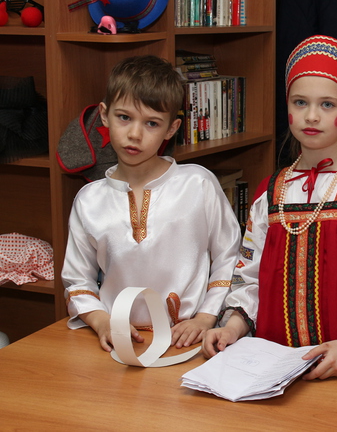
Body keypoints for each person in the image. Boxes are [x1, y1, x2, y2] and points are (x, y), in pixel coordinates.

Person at [203, 35, 337, 379]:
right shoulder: (268, 193)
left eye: (327, 104)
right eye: (300, 102)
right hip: (273, 369)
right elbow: (248, 280)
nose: (312, 116)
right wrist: (232, 328)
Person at [61, 55, 240, 352]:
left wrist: (205, 318)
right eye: (124, 117)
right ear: (104, 115)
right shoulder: (88, 200)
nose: (134, 134)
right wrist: (102, 322)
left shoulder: (198, 184)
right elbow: (78, 280)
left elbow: (230, 256)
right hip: (116, 345)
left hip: (188, 341)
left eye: (152, 123)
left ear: (171, 128)